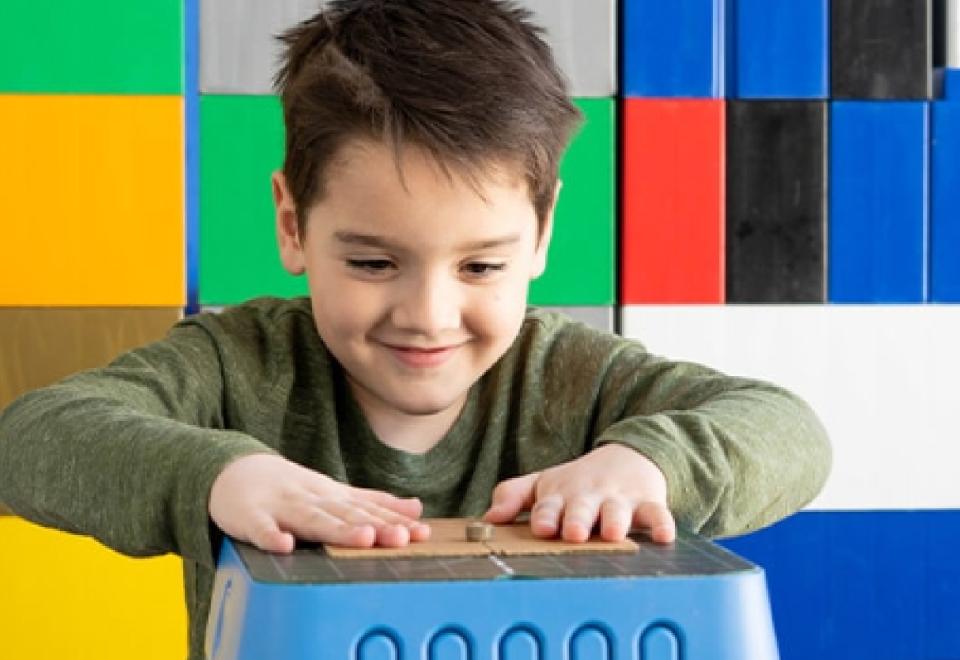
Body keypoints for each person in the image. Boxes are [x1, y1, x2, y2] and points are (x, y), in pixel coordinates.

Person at [0, 1, 831, 658]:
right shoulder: (235, 366)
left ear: (541, 234)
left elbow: (790, 432)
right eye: (372, 264)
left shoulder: (576, 377)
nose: (429, 316)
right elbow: (29, 441)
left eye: (480, 268)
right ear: (293, 225)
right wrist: (223, 475)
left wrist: (647, 461)